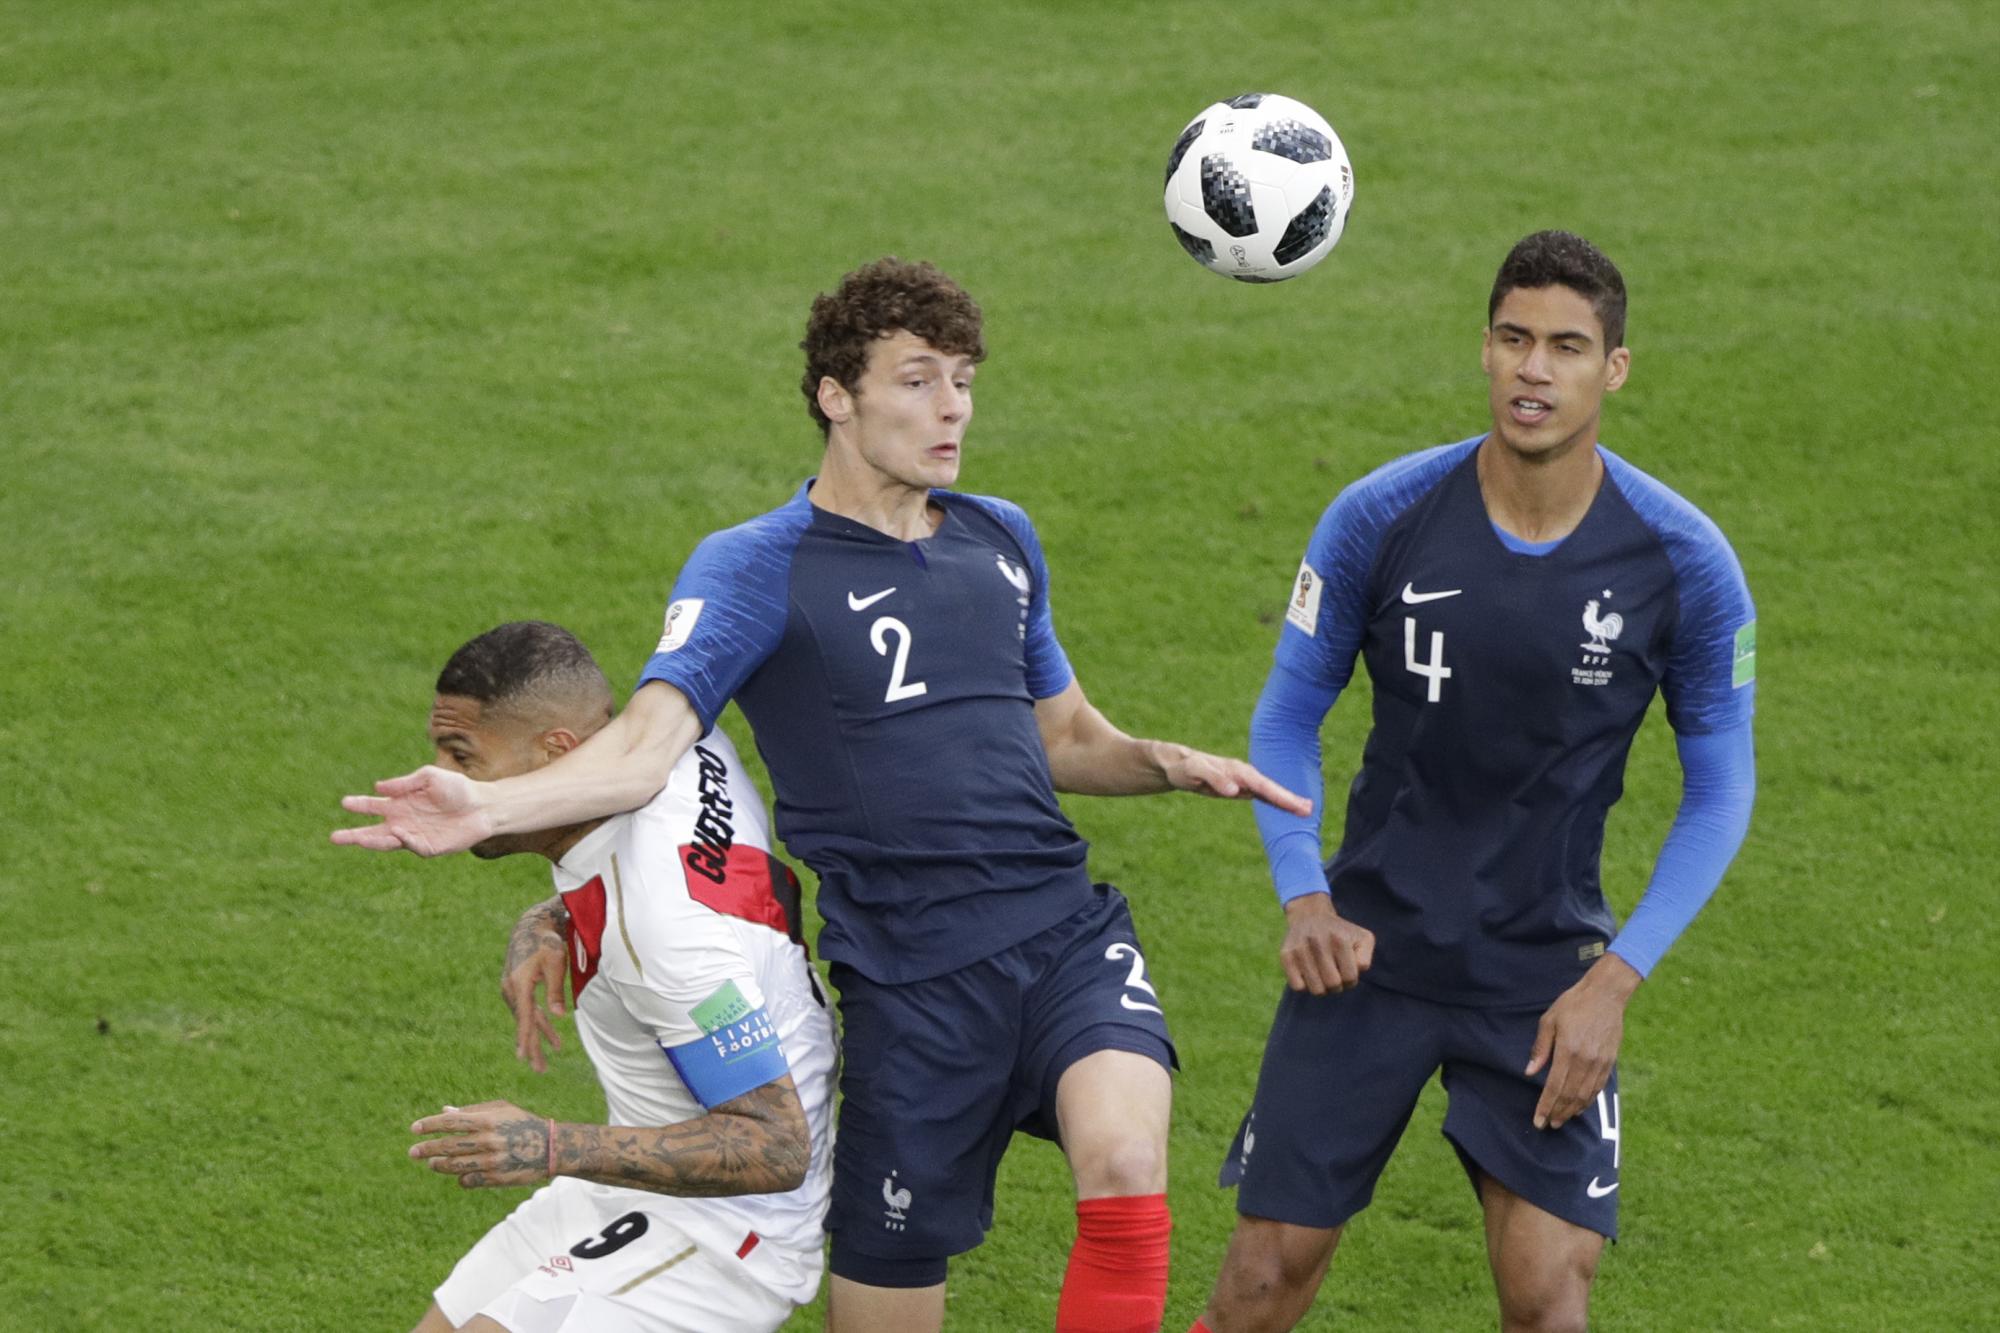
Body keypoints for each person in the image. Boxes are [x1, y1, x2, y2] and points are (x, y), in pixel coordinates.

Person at [338, 259, 1309, 1333]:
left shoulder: (1000, 538)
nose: (952, 408)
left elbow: (1064, 737)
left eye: (964, 381)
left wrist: (1166, 762)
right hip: (909, 982)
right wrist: (488, 814)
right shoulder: (757, 566)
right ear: (834, 397)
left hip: (1058, 933)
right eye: (916, 380)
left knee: (1126, 1156)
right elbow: (646, 749)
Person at [1190, 231, 1758, 1333]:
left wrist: (1614, 981)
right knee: (1261, 1280)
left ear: (1614, 369)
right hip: (1366, 960)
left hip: (1539, 980)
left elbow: (1719, 790)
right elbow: (1285, 714)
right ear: (1482, 351)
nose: (1533, 369)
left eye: (1564, 346)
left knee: (1547, 1293)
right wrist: (1302, 892)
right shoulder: (1379, 516)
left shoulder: (1681, 562)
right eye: (1511, 339)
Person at [397, 621, 838, 1333]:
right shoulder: (676, 741)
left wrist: (547, 1144)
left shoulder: (659, 937)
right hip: (625, 1184)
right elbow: (693, 877)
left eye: (463, 756)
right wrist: (550, 919)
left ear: (557, 751)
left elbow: (776, 1143)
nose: (444, 781)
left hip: (720, 1235)